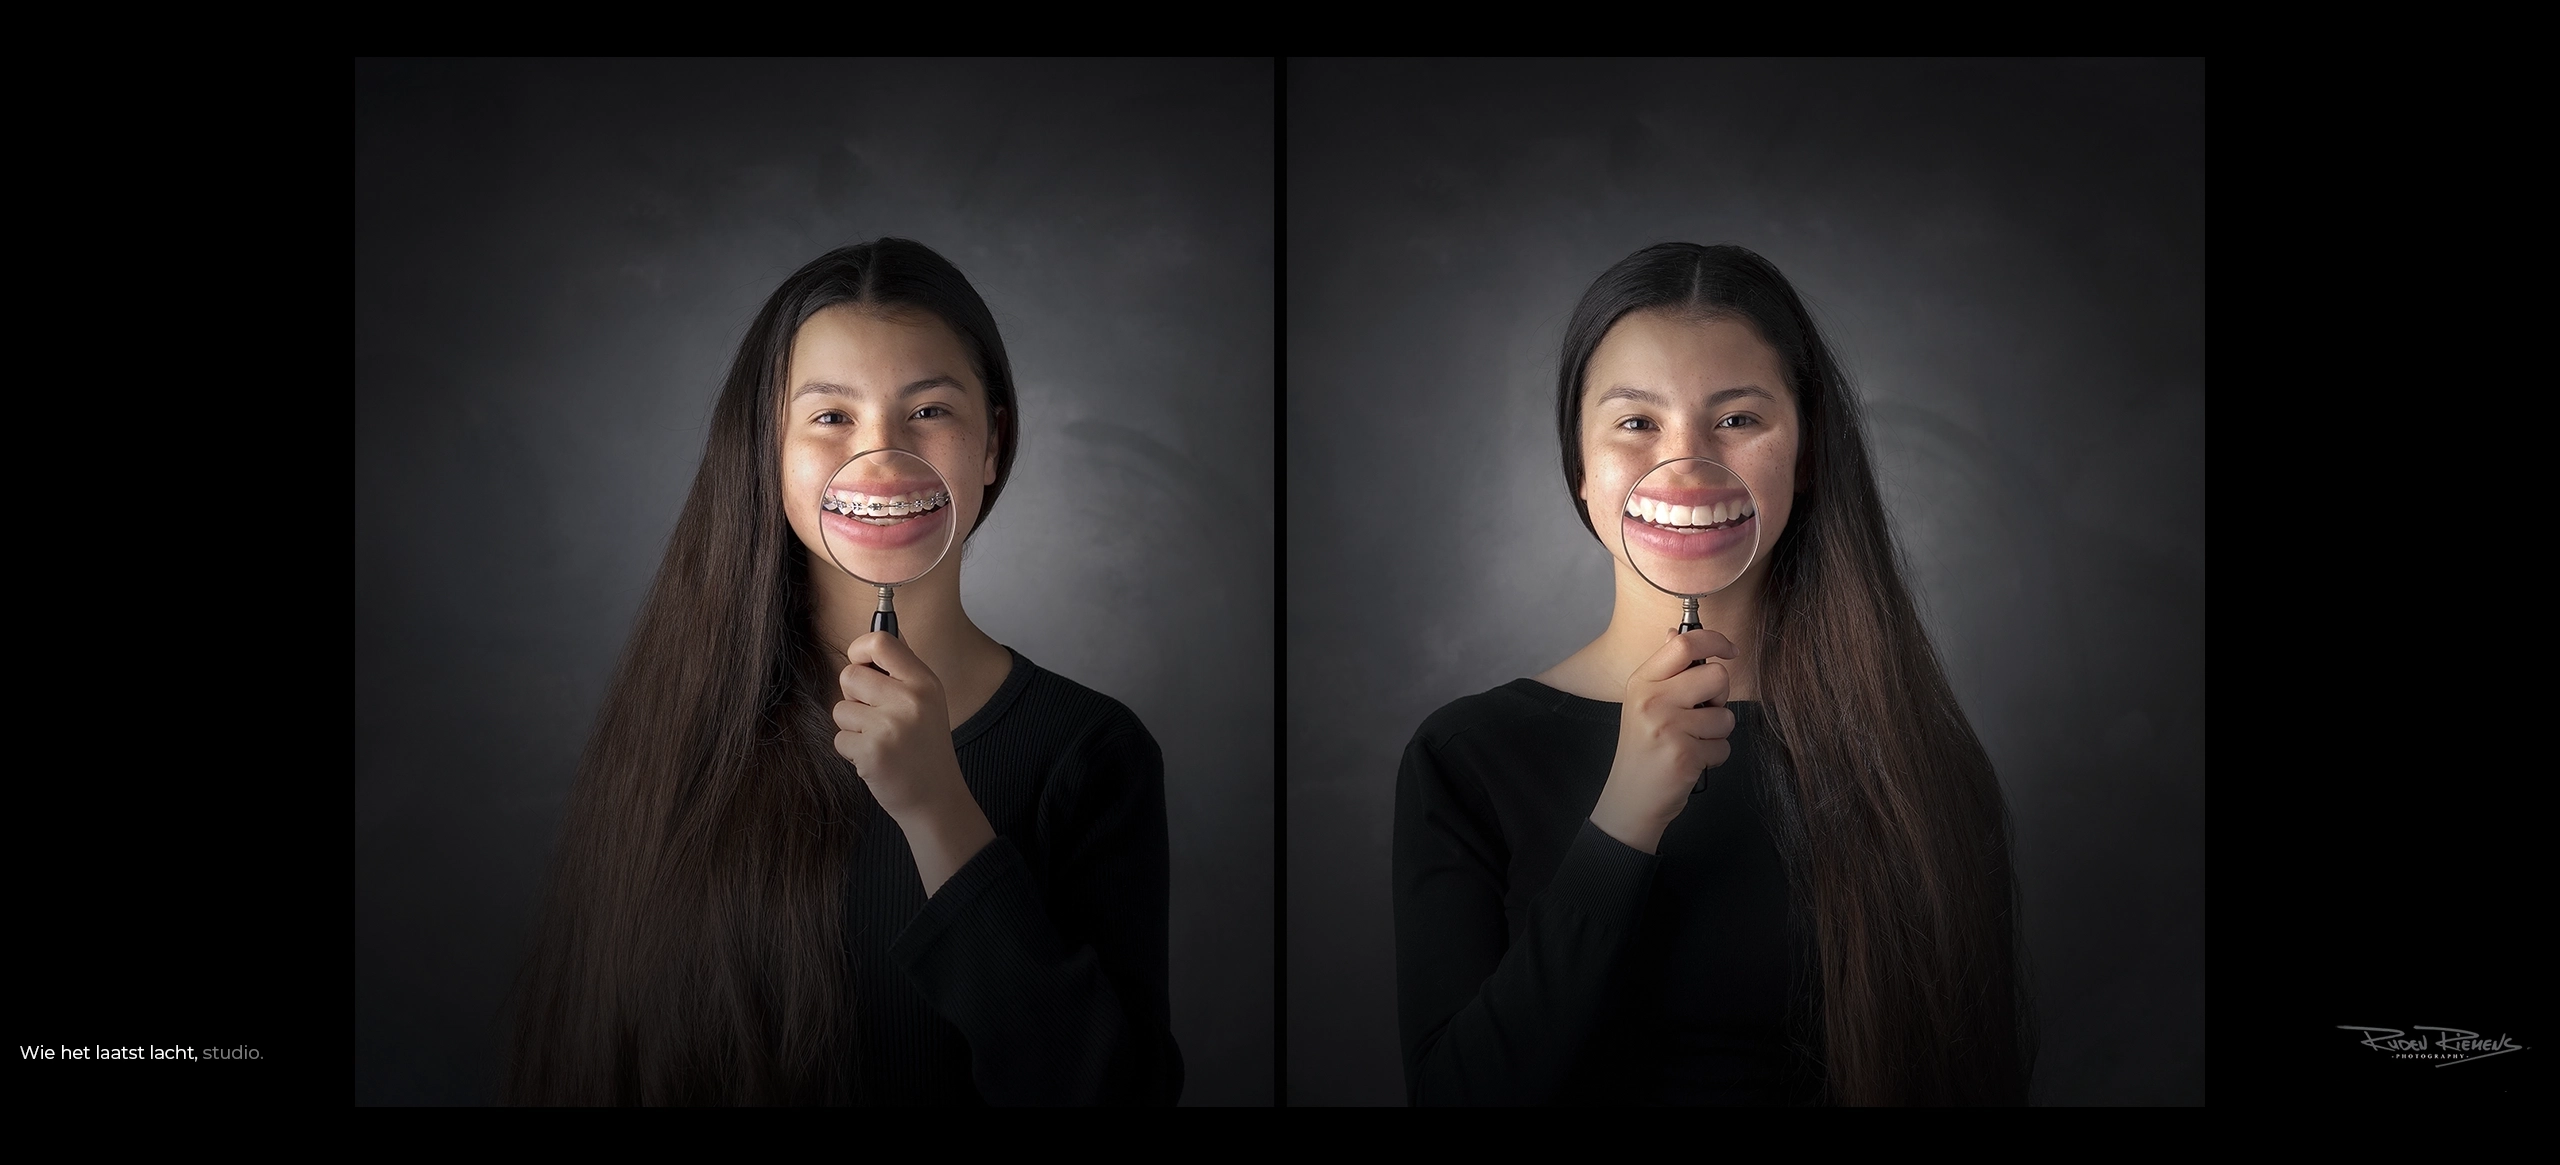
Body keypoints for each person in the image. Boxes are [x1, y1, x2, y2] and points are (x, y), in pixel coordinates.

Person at [506, 238, 1183, 1106]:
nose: (884, 454)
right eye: (831, 417)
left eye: (929, 410)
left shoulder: (1093, 754)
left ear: (992, 442)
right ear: (768, 449)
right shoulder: (684, 721)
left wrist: (939, 809)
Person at [1393, 242, 2031, 1106]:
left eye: (1737, 419)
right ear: (1581, 469)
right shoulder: (1464, 757)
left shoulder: (1919, 764)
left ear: (1804, 459)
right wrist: (1622, 822)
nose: (1688, 465)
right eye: (1637, 422)